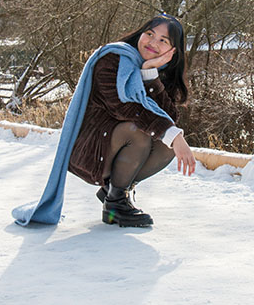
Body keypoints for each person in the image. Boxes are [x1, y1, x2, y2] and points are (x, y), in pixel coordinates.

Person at [68, 14, 196, 227]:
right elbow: (122, 108)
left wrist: (150, 75)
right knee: (137, 131)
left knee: (166, 146)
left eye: (163, 40)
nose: (153, 43)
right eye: (149, 34)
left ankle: (117, 191)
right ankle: (115, 205)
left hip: (115, 147)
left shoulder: (158, 71)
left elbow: (168, 117)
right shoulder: (113, 59)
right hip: (90, 151)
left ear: (173, 51)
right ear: (140, 33)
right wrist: (174, 135)